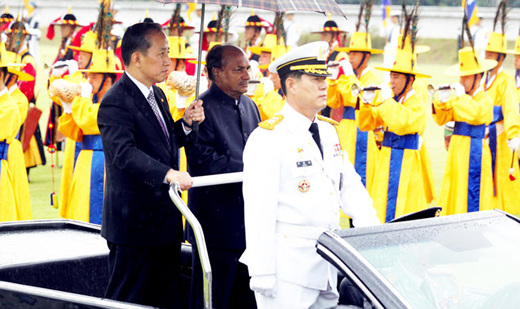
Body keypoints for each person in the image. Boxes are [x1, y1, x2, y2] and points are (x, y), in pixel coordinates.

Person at [240, 41, 380, 309]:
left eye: (324, 78)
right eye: (315, 79)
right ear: (290, 84)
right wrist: (262, 271)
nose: (324, 85)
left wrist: (373, 240)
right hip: (286, 272)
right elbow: (259, 211)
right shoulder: (268, 138)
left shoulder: (328, 131)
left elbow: (350, 189)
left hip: (326, 267)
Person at [97, 22, 204, 308]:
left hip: (163, 222)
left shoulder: (156, 94)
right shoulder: (116, 100)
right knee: (127, 299)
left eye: (168, 53)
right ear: (137, 58)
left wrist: (186, 124)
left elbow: (164, 142)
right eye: (162, 53)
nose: (168, 61)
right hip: (133, 226)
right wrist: (168, 174)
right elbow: (124, 153)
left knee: (166, 297)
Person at [185, 43, 260, 309]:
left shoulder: (250, 105)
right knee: (212, 299)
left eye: (247, 68)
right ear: (216, 72)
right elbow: (201, 160)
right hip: (215, 226)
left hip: (249, 224)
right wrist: (250, 168)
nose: (246, 75)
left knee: (247, 299)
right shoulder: (200, 109)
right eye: (238, 69)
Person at [358, 33, 431, 223]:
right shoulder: (392, 101)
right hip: (386, 161)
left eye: (396, 77)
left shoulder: (417, 104)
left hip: (407, 163)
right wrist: (366, 103)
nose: (391, 82)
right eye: (391, 76)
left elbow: (402, 123)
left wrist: (384, 100)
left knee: (405, 212)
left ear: (410, 80)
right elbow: (366, 124)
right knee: (382, 210)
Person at [58, 49, 123, 224]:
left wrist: (81, 99)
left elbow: (88, 121)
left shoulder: (114, 103)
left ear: (107, 80)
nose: (89, 81)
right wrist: (68, 109)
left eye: (94, 77)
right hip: (85, 161)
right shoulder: (91, 103)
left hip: (103, 161)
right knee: (80, 207)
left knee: (97, 210)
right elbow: (73, 132)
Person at [432, 47, 496, 215]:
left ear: (478, 77)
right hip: (456, 154)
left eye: (466, 76)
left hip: (475, 155)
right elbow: (441, 120)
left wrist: (460, 97)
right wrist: (442, 101)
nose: (462, 80)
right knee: (455, 194)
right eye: (461, 76)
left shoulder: (486, 99)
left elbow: (475, 114)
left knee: (472, 195)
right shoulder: (460, 98)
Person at [327, 30, 383, 193]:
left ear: (366, 57)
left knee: (359, 178)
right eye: (350, 53)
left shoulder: (372, 78)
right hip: (345, 129)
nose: (350, 57)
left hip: (361, 130)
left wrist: (347, 77)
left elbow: (355, 98)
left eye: (356, 54)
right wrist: (332, 80)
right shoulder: (351, 77)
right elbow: (333, 101)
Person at [484, 31, 520, 213]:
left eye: (491, 55)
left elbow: (511, 108)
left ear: (500, 58)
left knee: (504, 183)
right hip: (483, 140)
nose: (486, 58)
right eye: (485, 54)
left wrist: (513, 133)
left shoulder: (506, 82)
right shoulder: (482, 80)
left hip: (499, 141)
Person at [312, 17, 348, 120]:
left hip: (334, 100)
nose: (322, 36)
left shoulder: (340, 56)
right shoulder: (325, 54)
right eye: (322, 34)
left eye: (325, 34)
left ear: (334, 35)